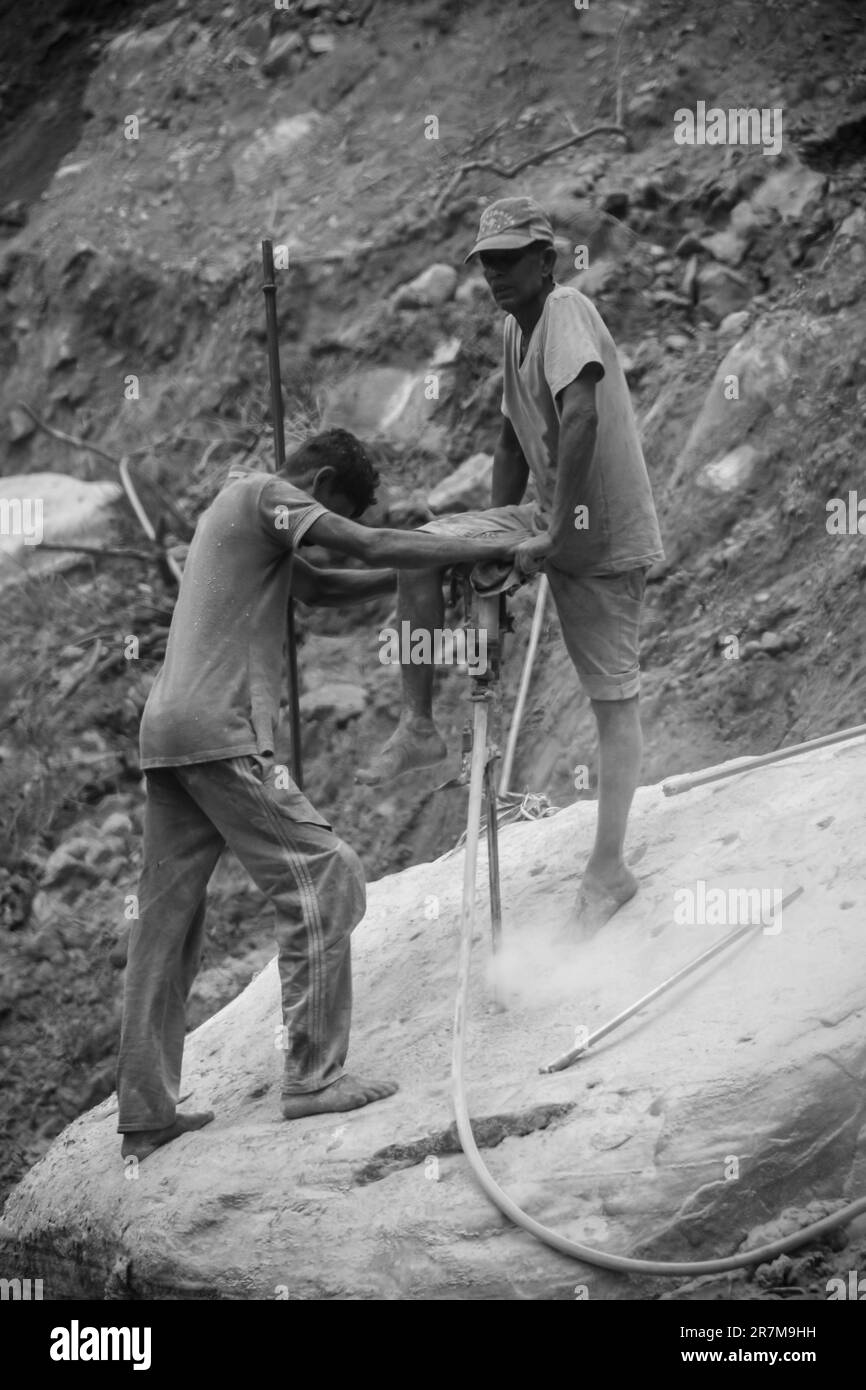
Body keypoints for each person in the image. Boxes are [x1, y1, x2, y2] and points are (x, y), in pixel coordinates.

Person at [117, 429, 521, 1161]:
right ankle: (312, 1078)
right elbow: (361, 547)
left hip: (169, 736)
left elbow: (327, 584)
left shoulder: (231, 513)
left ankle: (145, 1115)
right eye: (331, 507)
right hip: (222, 733)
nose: (322, 524)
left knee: (166, 925)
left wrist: (407, 575)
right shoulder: (267, 495)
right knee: (326, 877)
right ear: (323, 481)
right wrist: (457, 547)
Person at [357, 197, 665, 935]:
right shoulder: (512, 330)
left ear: (546, 261)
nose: (493, 274)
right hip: (553, 521)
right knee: (420, 549)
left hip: (603, 538)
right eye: (486, 262)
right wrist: (490, 542)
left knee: (612, 701)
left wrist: (554, 536)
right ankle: (420, 724)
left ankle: (609, 871)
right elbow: (507, 443)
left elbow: (582, 416)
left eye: (507, 259)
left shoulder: (564, 311)